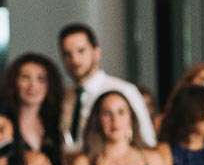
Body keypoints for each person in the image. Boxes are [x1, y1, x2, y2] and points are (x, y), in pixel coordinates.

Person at [59, 22, 154, 150]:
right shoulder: (66, 96)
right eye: (67, 54)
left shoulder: (123, 90)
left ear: (97, 52)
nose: (74, 59)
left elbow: (147, 141)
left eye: (81, 51)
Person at [0, 52, 67, 165]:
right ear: (14, 83)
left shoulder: (55, 125)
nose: (33, 85)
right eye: (25, 78)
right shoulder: (2, 124)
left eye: (41, 79)